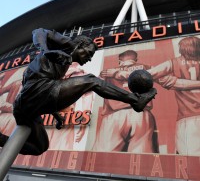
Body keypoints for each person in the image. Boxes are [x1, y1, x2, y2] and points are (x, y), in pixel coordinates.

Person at [0, 28, 157, 156]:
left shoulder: (64, 63)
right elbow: (38, 31)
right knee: (91, 80)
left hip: (27, 106)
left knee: (40, 147)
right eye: (88, 53)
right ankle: (135, 101)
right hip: (31, 97)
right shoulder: (65, 45)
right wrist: (46, 50)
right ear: (79, 46)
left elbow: (44, 91)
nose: (88, 58)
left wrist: (56, 114)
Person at [92, 50, 158, 153]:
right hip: (141, 113)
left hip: (115, 115)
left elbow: (93, 85)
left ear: (119, 61)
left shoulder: (107, 72)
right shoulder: (146, 68)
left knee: (103, 155)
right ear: (135, 60)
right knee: (141, 155)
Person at [148, 36, 200, 155]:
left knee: (191, 162)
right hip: (188, 119)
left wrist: (169, 81)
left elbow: (147, 75)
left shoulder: (174, 62)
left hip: (188, 118)